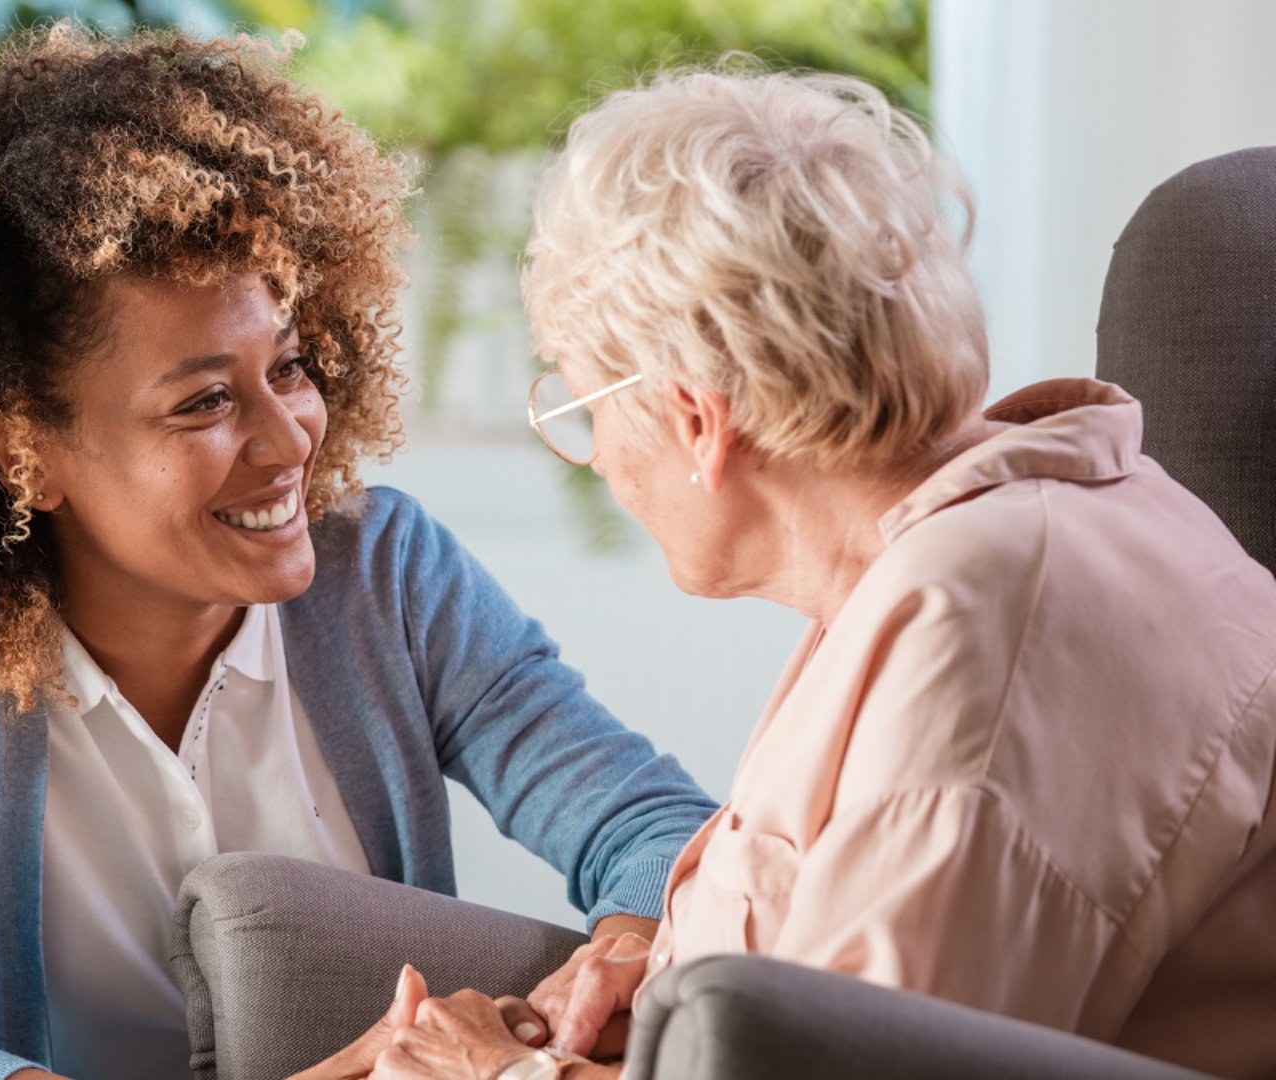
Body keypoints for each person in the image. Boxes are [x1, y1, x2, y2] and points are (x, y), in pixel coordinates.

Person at [0, 24, 718, 1080]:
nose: (290, 439)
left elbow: (659, 831)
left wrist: (616, 962)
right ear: (24, 454)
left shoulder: (388, 577)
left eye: (290, 367)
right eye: (205, 401)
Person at [332, 64, 1276, 1080]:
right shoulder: (960, 552)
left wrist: (502, 1073)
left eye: (582, 405)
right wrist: (674, 986)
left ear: (697, 420)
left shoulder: (978, 642)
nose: (596, 457)